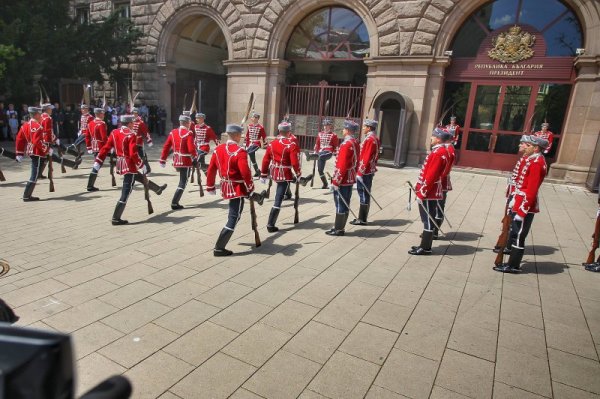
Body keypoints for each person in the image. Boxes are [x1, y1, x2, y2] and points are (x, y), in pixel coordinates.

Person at [206, 124, 265, 256]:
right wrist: (250, 187)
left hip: (226, 186)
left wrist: (210, 186)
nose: (241, 137)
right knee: (234, 217)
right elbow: (245, 172)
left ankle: (258, 197)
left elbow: (211, 169)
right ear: (237, 135)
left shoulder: (218, 149)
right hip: (237, 188)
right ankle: (219, 248)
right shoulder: (240, 151)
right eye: (241, 135)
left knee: (236, 211)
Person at [493, 135, 548, 273]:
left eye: (529, 145)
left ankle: (513, 265)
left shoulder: (536, 162)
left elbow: (532, 189)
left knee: (519, 235)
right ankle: (512, 263)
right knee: (514, 231)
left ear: (536, 148)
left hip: (525, 204)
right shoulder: (533, 159)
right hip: (520, 200)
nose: (525, 147)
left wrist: (523, 209)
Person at [94, 115, 148, 225]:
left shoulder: (114, 132)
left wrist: (98, 161)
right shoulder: (131, 134)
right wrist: (142, 165)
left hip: (120, 164)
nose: (133, 124)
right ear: (129, 124)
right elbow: (133, 153)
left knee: (127, 188)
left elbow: (105, 148)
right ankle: (116, 217)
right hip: (130, 165)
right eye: (132, 123)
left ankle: (156, 189)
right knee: (126, 192)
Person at [408, 127, 452, 255]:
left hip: (430, 191)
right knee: (429, 218)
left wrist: (422, 192)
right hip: (430, 189)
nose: (431, 138)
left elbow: (432, 175)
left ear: (438, 139)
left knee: (427, 219)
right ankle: (424, 245)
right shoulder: (440, 151)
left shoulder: (438, 153)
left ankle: (426, 247)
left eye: (433, 136)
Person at [260, 121, 302, 232]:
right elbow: (294, 162)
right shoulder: (291, 145)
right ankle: (270, 224)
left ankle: (271, 223)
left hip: (274, 172)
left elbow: (265, 160)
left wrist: (263, 174)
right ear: (289, 132)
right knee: (278, 199)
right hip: (285, 173)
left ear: (279, 131)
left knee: (280, 194)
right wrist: (298, 173)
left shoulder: (272, 144)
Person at [326, 120, 360, 236]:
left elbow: (342, 165)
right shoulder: (354, 142)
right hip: (350, 177)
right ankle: (339, 226)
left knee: (340, 202)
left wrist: (336, 181)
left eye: (345, 129)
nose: (343, 130)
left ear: (348, 130)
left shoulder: (346, 144)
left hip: (343, 179)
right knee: (345, 202)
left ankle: (339, 229)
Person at [159, 114, 197, 210]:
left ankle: (175, 202)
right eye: (189, 123)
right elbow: (191, 148)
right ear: (187, 123)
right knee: (183, 182)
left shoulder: (173, 132)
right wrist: (195, 157)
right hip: (186, 161)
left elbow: (166, 146)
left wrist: (163, 159)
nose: (190, 124)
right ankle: (175, 202)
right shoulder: (189, 133)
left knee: (182, 180)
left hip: (176, 161)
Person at [350, 119, 381, 226]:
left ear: (369, 128)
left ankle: (362, 219)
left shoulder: (370, 139)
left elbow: (366, 157)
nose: (363, 128)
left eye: (364, 127)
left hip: (365, 171)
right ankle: (362, 217)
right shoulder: (374, 138)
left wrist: (360, 172)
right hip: (369, 169)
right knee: (365, 193)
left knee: (363, 193)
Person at [14, 107, 48, 201]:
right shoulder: (37, 126)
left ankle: (27, 195)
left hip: (31, 151)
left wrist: (19, 153)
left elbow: (19, 140)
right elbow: (37, 141)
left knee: (36, 173)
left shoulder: (25, 125)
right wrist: (47, 149)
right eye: (40, 114)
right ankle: (26, 195)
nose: (41, 116)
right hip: (37, 152)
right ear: (36, 114)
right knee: (35, 174)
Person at [435, 128, 456, 238]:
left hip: (441, 181)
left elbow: (446, 168)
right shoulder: (447, 148)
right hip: (440, 180)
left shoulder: (449, 149)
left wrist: (438, 179)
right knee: (436, 206)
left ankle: (434, 230)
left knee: (439, 206)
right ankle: (433, 229)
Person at [307, 119, 339, 189]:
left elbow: (336, 146)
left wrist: (336, 154)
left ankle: (311, 156)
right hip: (320, 153)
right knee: (320, 170)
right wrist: (315, 150)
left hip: (328, 152)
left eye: (327, 125)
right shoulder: (320, 134)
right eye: (324, 125)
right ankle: (325, 184)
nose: (325, 127)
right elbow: (317, 144)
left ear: (330, 126)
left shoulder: (333, 135)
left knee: (321, 155)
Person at [86, 108, 108, 191]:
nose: (104, 115)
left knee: (97, 164)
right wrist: (110, 147)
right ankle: (90, 186)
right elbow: (104, 138)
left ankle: (90, 185)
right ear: (99, 114)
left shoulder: (90, 123)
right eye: (103, 114)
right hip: (101, 147)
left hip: (94, 147)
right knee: (97, 165)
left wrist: (89, 147)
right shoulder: (102, 124)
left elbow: (87, 136)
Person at [245, 112, 266, 177]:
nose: (252, 118)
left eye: (254, 117)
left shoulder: (260, 127)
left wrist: (265, 145)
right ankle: (257, 171)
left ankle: (256, 171)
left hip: (256, 143)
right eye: (252, 117)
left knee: (249, 152)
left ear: (257, 119)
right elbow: (247, 136)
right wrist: (246, 144)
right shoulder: (249, 126)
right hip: (250, 143)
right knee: (252, 157)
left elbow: (264, 136)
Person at [132, 107, 153, 173]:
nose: (134, 114)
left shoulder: (140, 122)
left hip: (138, 142)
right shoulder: (130, 121)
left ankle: (147, 168)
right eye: (133, 113)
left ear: (137, 114)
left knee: (142, 156)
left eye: (135, 113)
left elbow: (145, 132)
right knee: (132, 155)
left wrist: (149, 140)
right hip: (131, 141)